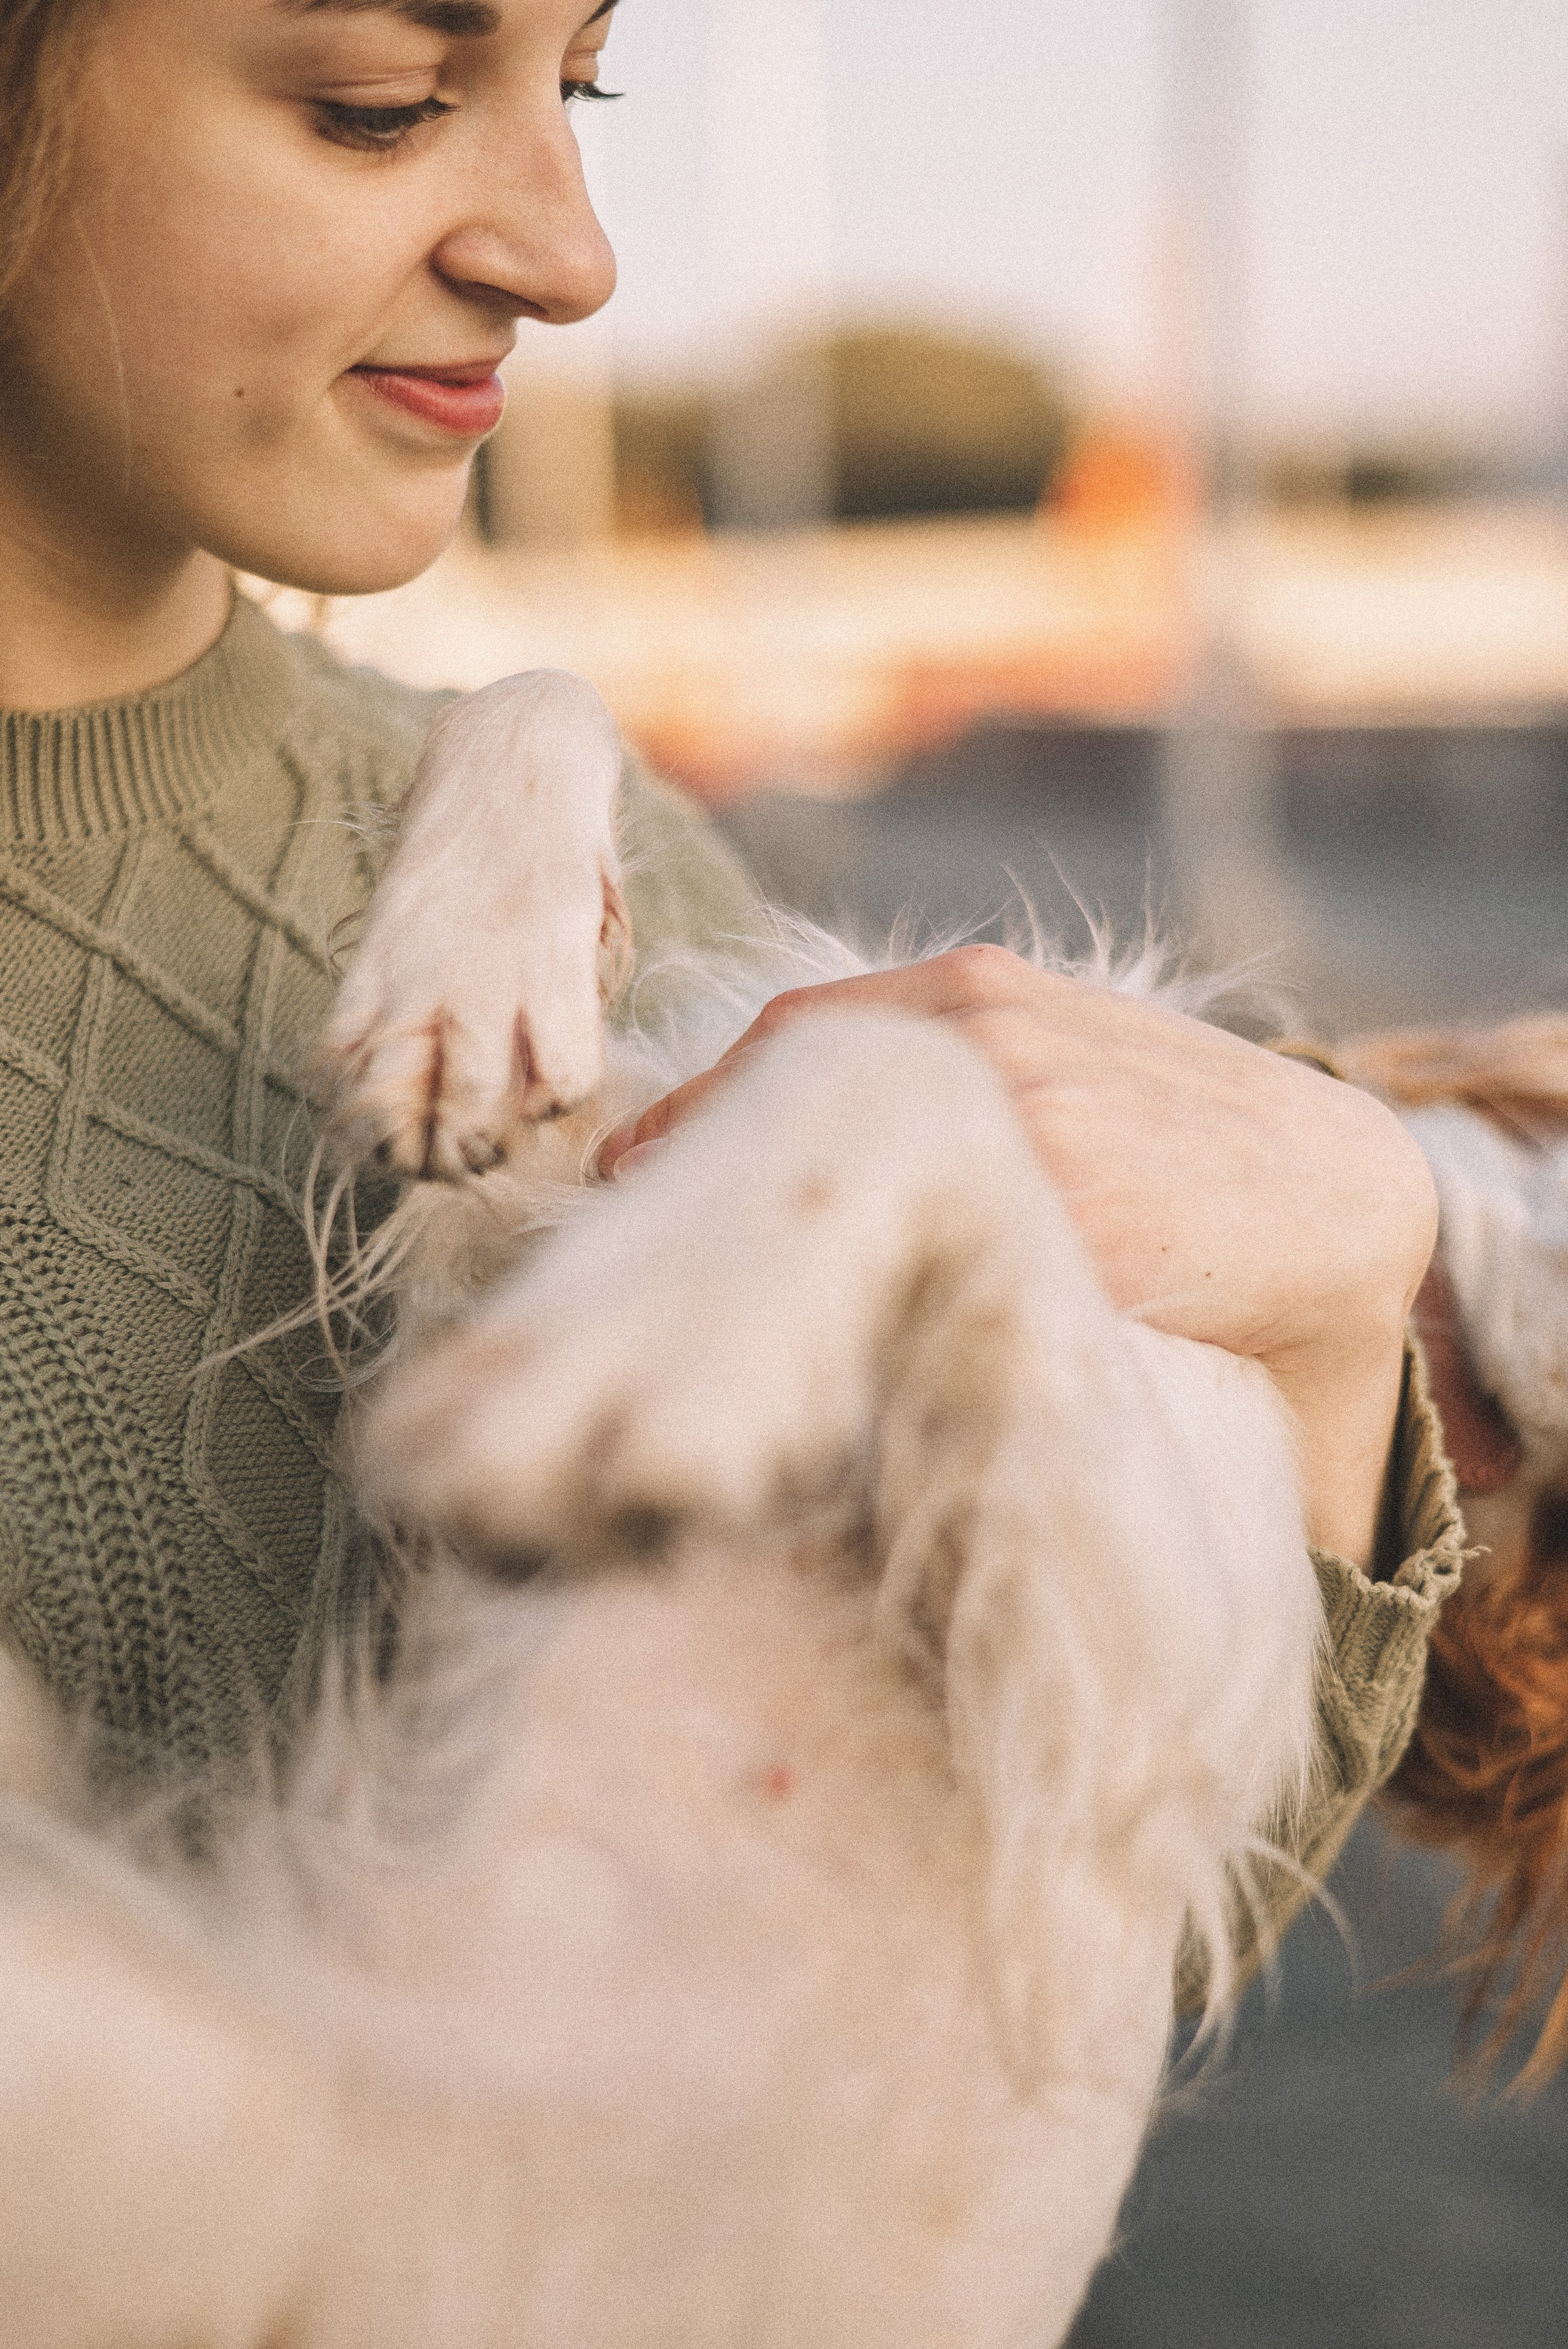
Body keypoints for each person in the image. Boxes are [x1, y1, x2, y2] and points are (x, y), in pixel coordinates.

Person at [0, 0, 1460, 1942]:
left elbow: (1064, 1986)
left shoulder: (615, 877)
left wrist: (1346, 1314)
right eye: (381, 106)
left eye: (584, 84)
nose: (578, 256)